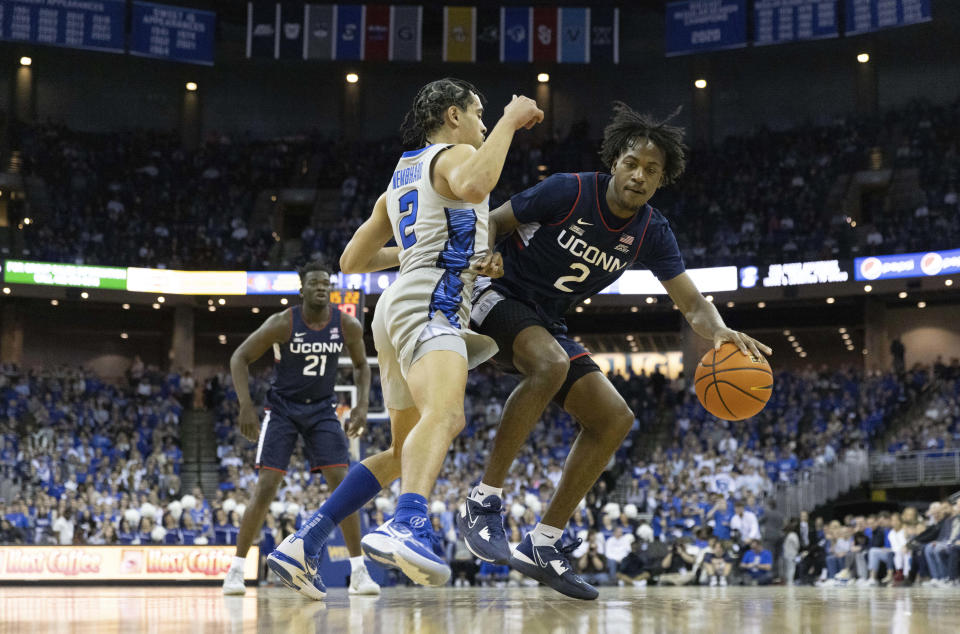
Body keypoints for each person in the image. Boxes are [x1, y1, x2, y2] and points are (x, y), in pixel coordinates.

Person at [459, 101, 772, 599]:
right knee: (550, 363)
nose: (639, 176)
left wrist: (718, 331)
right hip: (495, 295)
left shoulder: (651, 231)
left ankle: (544, 542)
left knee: (615, 419)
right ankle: (483, 501)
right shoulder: (568, 189)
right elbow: (492, 220)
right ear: (614, 162)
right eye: (632, 163)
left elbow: (691, 302)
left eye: (652, 170)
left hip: (546, 320)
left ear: (662, 180)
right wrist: (487, 252)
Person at [268, 77, 543, 596]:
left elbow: (352, 261)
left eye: (490, 117)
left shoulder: (401, 176)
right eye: (479, 113)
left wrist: (430, 252)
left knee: (400, 452)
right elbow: (476, 187)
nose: (485, 122)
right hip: (431, 301)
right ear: (453, 116)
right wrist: (511, 119)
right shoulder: (453, 155)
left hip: (396, 306)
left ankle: (306, 540)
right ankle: (409, 522)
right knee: (448, 414)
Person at [222, 262, 379, 598]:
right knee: (266, 486)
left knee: (344, 484)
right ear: (302, 290)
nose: (322, 287)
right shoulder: (283, 322)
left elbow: (364, 367)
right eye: (315, 283)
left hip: (322, 409)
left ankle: (359, 572)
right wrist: (245, 405)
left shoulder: (346, 324)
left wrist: (362, 406)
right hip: (282, 410)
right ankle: (236, 570)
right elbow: (239, 357)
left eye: (326, 283)